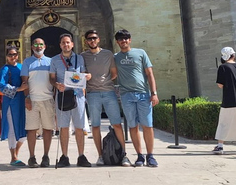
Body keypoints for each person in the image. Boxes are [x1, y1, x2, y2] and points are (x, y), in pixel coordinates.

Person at [81, 30, 131, 166]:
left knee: (116, 124)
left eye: (94, 38)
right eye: (89, 39)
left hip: (108, 92)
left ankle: (124, 155)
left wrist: (103, 81)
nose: (92, 41)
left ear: (98, 40)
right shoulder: (83, 56)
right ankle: (100, 155)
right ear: (86, 41)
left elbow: (114, 74)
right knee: (95, 125)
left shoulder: (107, 54)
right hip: (92, 94)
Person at [114, 29, 159, 167]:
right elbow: (111, 74)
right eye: (121, 39)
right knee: (133, 126)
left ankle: (150, 155)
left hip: (143, 94)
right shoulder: (115, 57)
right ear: (117, 42)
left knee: (147, 126)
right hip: (126, 95)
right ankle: (140, 155)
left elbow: (149, 73)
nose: (124, 41)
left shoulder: (140, 53)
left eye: (126, 38)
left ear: (130, 39)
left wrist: (154, 93)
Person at [50, 33, 92, 167]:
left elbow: (84, 73)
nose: (65, 45)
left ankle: (81, 156)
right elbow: (51, 78)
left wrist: (87, 76)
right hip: (62, 95)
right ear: (60, 45)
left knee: (79, 127)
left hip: (77, 95)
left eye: (68, 42)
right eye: (63, 43)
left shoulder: (79, 58)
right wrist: (56, 84)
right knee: (63, 127)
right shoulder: (55, 60)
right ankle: (64, 156)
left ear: (72, 44)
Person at [21, 38, 54, 168]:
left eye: (41, 44)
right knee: (31, 129)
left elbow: (53, 79)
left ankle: (46, 156)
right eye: (36, 44)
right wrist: (27, 97)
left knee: (48, 128)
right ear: (32, 46)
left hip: (47, 99)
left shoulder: (51, 61)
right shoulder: (27, 62)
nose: (38, 46)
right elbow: (25, 81)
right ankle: (32, 157)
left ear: (45, 46)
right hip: (33, 100)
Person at [0, 45, 28, 166]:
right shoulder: (5, 69)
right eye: (10, 55)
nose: (13, 57)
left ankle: (16, 152)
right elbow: (2, 86)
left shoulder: (22, 67)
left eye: (15, 54)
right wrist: (18, 89)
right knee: (11, 128)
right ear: (7, 56)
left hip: (22, 101)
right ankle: (13, 157)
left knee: (25, 130)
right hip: (11, 102)